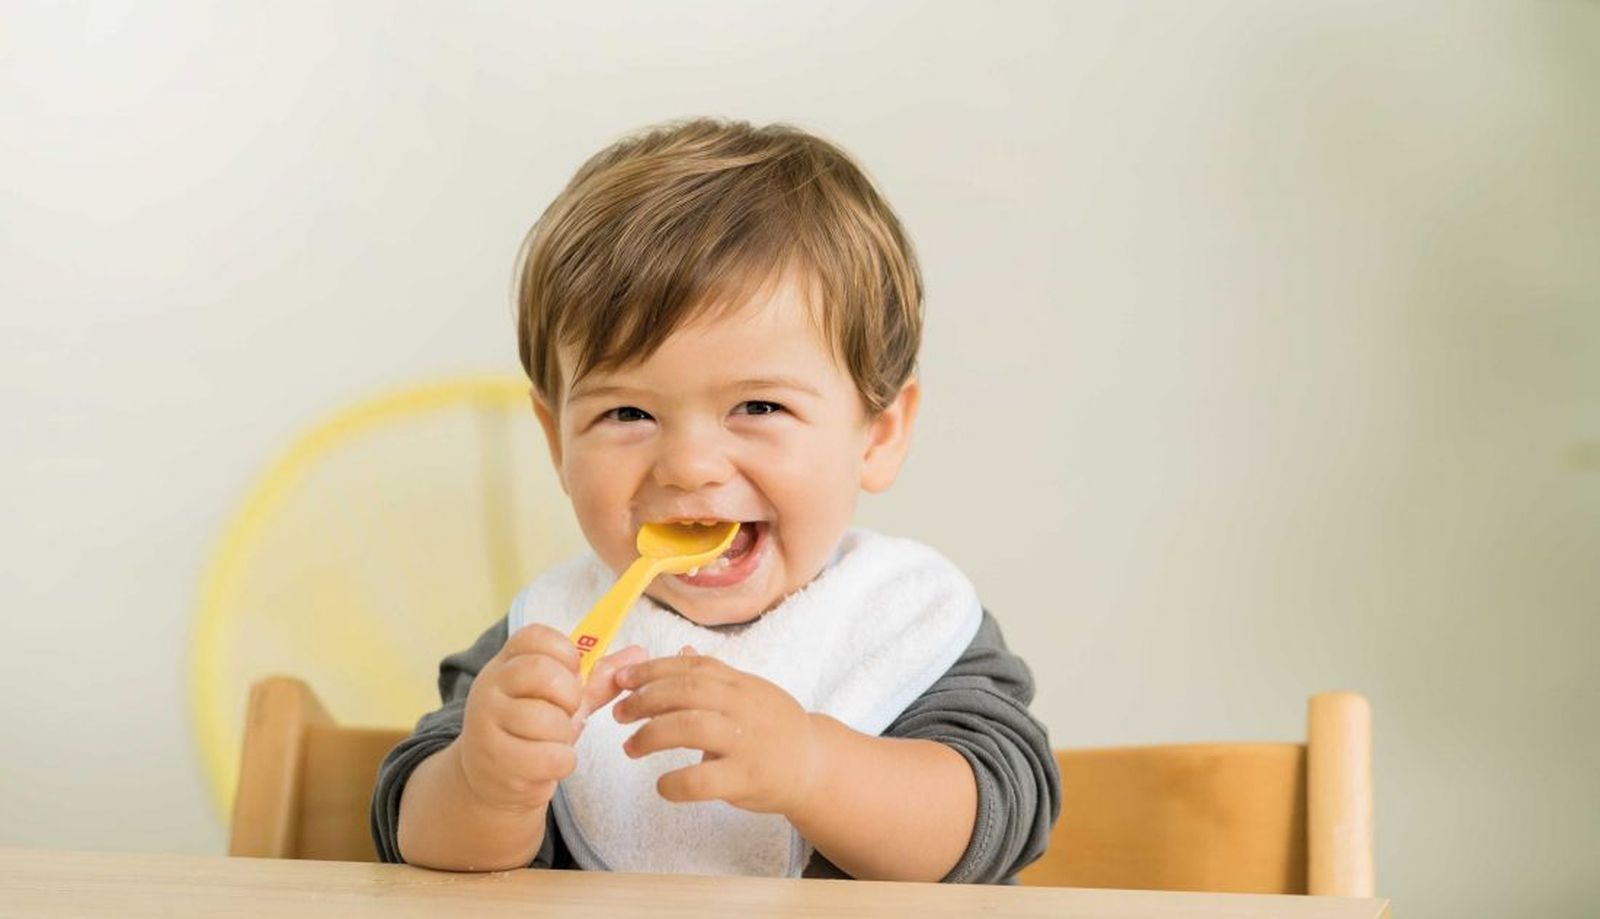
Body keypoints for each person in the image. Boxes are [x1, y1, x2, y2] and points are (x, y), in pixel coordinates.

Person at [371, 118, 1059, 882]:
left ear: (878, 433)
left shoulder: (900, 617)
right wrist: (486, 784)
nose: (691, 467)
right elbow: (410, 836)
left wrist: (811, 765)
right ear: (556, 438)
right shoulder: (548, 635)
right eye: (627, 413)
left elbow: (995, 817)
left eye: (758, 407)